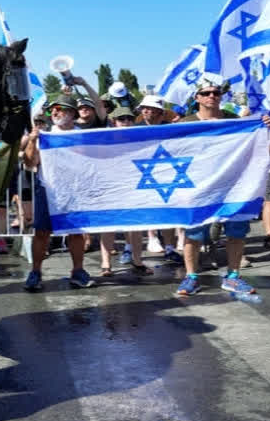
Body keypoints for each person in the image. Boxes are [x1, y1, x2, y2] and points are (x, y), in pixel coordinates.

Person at [175, 77, 252, 297]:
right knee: (194, 233)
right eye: (206, 93)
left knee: (236, 231)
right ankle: (191, 277)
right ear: (197, 97)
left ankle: (233, 276)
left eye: (216, 93)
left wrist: (262, 123)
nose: (212, 96)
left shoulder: (233, 120)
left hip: (231, 186)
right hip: (197, 188)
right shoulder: (185, 124)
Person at [20, 94, 97, 291]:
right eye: (52, 109)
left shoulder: (82, 136)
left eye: (60, 109)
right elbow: (30, 164)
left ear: (72, 113)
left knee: (76, 233)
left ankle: (78, 271)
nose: (54, 112)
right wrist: (31, 141)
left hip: (74, 190)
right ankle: (35, 272)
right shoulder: (45, 136)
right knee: (42, 233)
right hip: (48, 189)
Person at [102, 106, 152, 276]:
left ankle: (137, 261)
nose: (126, 122)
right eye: (121, 119)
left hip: (134, 186)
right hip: (111, 187)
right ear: (114, 122)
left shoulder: (140, 139)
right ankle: (106, 264)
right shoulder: (104, 139)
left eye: (129, 118)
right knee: (108, 226)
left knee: (136, 226)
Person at [137, 95, 184, 263]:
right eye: (143, 108)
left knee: (169, 209)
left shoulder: (170, 129)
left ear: (159, 111)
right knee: (149, 208)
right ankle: (152, 237)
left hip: (167, 172)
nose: (145, 111)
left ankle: (170, 246)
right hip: (144, 173)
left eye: (149, 108)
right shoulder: (135, 130)